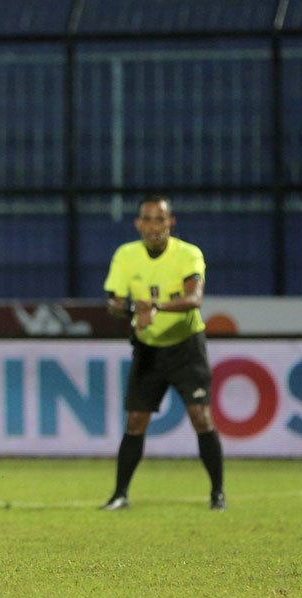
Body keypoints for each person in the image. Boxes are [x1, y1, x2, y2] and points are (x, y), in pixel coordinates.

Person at [101, 195, 225, 512]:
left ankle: (217, 494)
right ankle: (120, 495)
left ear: (171, 222)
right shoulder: (126, 256)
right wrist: (132, 308)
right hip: (148, 348)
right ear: (138, 224)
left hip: (186, 345)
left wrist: (155, 307)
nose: (154, 226)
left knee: (201, 416)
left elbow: (194, 299)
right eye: (148, 219)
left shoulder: (188, 254)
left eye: (161, 219)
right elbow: (113, 304)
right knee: (135, 421)